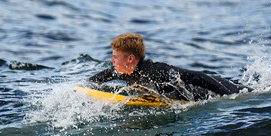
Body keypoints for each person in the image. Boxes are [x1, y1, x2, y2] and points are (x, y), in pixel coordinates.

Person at [87, 33, 249, 101]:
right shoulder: (121, 71)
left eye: (115, 57)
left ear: (130, 58)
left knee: (255, 90)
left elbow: (198, 76)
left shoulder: (155, 71)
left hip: (209, 91)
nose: (112, 61)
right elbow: (94, 81)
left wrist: (231, 96)